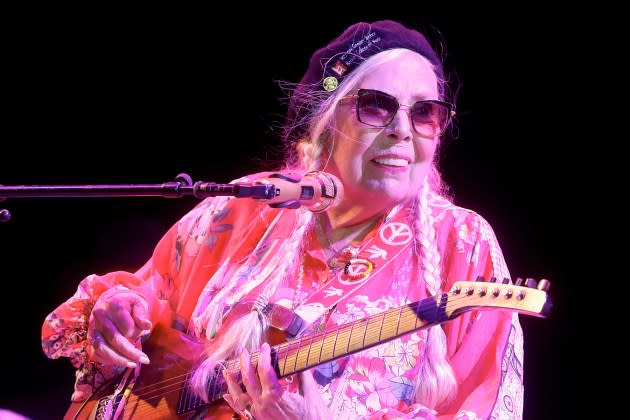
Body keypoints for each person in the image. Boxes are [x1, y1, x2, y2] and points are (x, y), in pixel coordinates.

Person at [42, 20, 525, 419]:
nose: (402, 131)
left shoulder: (463, 244)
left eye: (425, 113)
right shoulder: (241, 209)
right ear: (327, 118)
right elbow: (146, 295)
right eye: (377, 106)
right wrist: (118, 310)